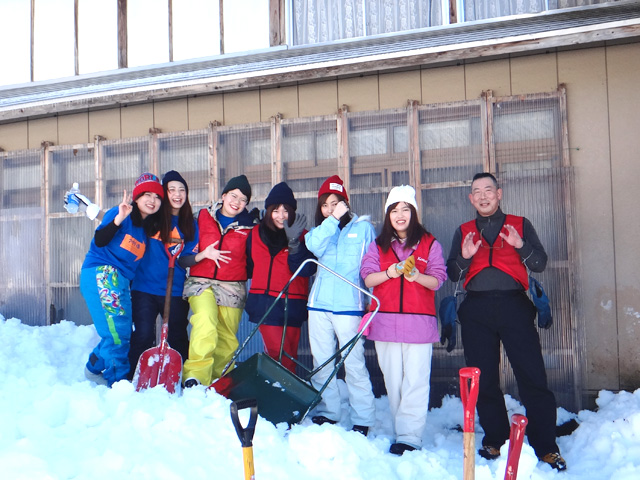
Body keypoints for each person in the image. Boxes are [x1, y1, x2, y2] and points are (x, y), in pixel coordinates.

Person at [446, 172, 566, 471]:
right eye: (477, 191)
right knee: (483, 379)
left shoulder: (520, 224)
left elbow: (540, 262)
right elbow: (452, 274)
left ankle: (546, 445)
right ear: (471, 199)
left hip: (515, 305)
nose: (483, 195)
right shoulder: (464, 231)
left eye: (489, 189)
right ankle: (495, 438)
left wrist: (519, 244)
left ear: (499, 194)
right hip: (476, 310)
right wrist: (464, 257)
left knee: (532, 376)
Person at [360, 185, 446, 455]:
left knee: (416, 380)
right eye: (394, 210)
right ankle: (402, 432)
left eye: (405, 209)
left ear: (414, 213)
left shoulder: (430, 243)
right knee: (393, 380)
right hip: (385, 323)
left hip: (419, 324)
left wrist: (415, 276)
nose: (400, 215)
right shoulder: (378, 245)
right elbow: (368, 277)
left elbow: (438, 279)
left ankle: (410, 436)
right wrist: (393, 271)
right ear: (387, 215)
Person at [304, 175, 376, 435]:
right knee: (321, 362)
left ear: (346, 202)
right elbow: (312, 245)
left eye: (336, 203)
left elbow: (371, 267)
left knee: (354, 363)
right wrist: (332, 221)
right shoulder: (321, 231)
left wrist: (370, 306)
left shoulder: (364, 228)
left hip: (349, 306)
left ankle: (363, 418)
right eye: (326, 205)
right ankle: (329, 411)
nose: (331, 208)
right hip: (319, 305)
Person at [81, 173, 163, 386]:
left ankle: (94, 367)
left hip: (122, 281)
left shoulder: (145, 231)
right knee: (117, 334)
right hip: (103, 273)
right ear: (136, 198)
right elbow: (100, 240)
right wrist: (118, 219)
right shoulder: (119, 215)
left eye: (157, 196)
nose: (152, 200)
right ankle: (119, 383)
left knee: (121, 331)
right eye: (147, 194)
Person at [179, 175, 257, 388]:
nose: (237, 202)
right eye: (233, 195)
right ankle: (195, 375)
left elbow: (256, 260)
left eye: (243, 199)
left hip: (233, 287)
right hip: (200, 283)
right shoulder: (201, 217)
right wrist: (204, 254)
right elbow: (182, 257)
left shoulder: (250, 227)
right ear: (223, 196)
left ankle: (219, 380)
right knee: (205, 320)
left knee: (227, 338)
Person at [128, 171, 198, 378]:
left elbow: (186, 258)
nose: (177, 194)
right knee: (142, 335)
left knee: (177, 336)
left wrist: (201, 255)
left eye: (182, 190)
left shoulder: (189, 224)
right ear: (163, 194)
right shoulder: (150, 218)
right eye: (171, 190)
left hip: (175, 290)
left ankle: (179, 377)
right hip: (143, 288)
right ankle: (133, 376)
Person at [245, 182, 316, 374]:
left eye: (286, 210)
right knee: (277, 352)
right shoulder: (255, 234)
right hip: (265, 303)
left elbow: (308, 269)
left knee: (289, 355)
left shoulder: (304, 237)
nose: (281, 215)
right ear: (268, 211)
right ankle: (277, 390)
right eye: (276, 210)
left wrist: (294, 243)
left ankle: (285, 396)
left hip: (292, 304)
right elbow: (248, 267)